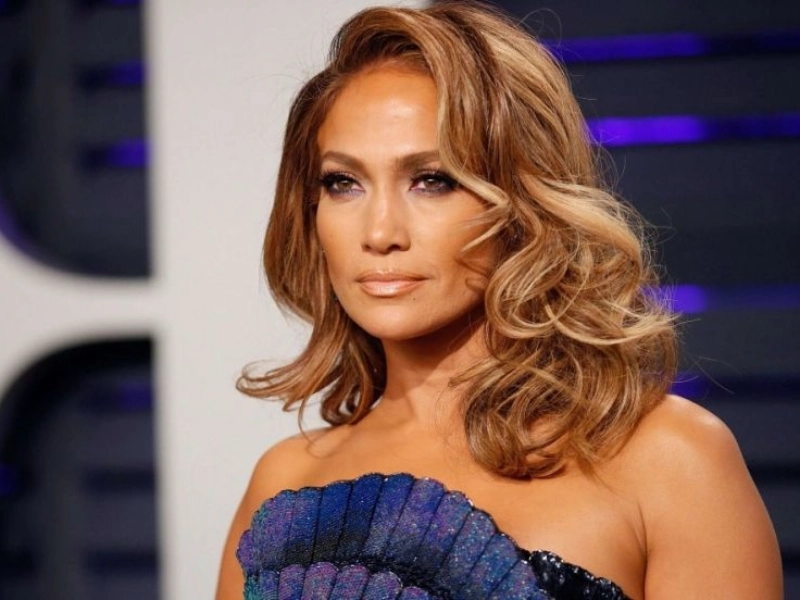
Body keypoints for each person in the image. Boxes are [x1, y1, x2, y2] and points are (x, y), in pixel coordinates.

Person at [215, 3, 782, 599]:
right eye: (343, 183)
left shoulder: (668, 459)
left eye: (433, 180)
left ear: (524, 201)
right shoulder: (285, 483)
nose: (379, 232)